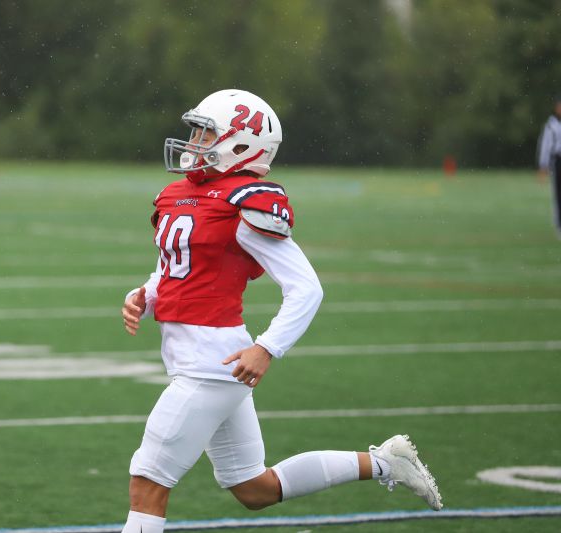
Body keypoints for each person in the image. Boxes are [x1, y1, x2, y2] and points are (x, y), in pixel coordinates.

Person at [120, 89, 442, 532]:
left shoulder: (243, 202)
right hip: (201, 360)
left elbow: (306, 288)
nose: (193, 142)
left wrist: (267, 347)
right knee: (255, 488)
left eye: (204, 133)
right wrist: (146, 293)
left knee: (149, 480)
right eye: (194, 131)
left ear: (240, 144)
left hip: (210, 365)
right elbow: (176, 269)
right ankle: (387, 463)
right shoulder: (179, 194)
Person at [536, 95, 561, 237]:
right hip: (557, 160)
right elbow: (545, 146)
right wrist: (543, 166)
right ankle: (559, 224)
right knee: (558, 193)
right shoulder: (551, 125)